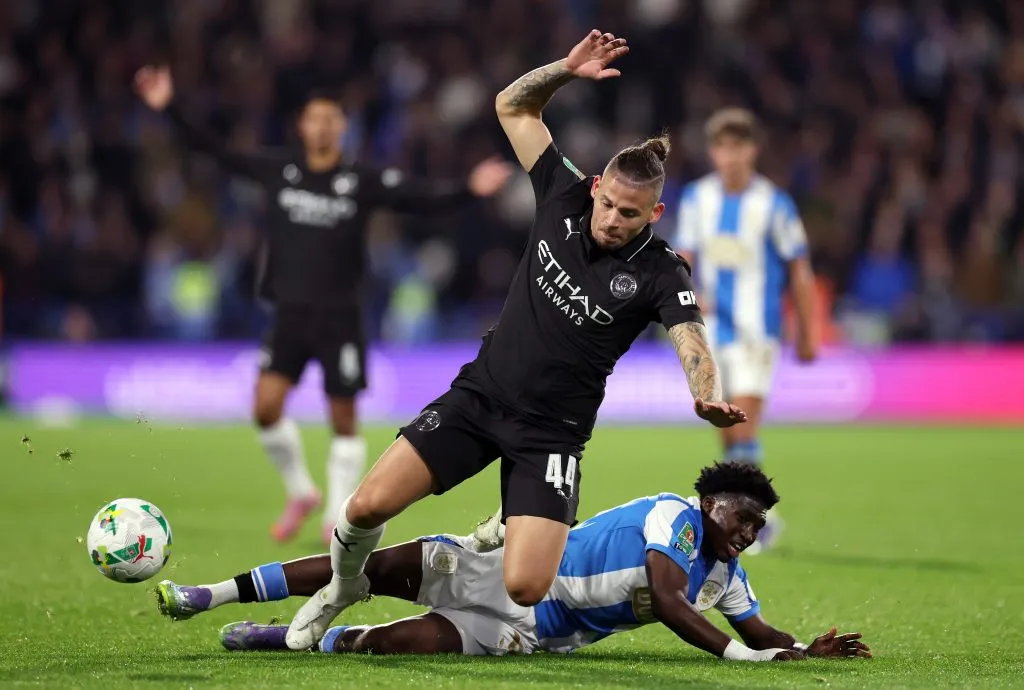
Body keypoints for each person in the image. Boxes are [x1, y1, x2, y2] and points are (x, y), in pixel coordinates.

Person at [280, 29, 747, 651]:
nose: (611, 220)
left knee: (527, 586)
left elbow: (691, 336)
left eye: (628, 214)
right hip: (480, 398)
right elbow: (513, 106)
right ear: (595, 188)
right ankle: (340, 591)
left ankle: (475, 546)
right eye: (606, 204)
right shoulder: (560, 192)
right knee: (363, 509)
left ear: (654, 215)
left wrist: (704, 393)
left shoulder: (663, 269)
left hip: (551, 435)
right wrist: (566, 69)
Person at [133, 67, 512, 545]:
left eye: (333, 119)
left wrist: (468, 188)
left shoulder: (359, 179)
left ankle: (335, 512)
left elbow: (417, 196)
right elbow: (217, 152)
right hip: (289, 316)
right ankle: (300, 491)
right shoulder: (279, 170)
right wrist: (169, 106)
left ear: (343, 127)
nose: (324, 126)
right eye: (316, 119)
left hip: (340, 317)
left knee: (342, 419)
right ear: (302, 126)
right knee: (265, 407)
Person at [155, 462, 870, 662]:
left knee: (398, 645)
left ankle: (286, 638)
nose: (747, 534)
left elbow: (757, 629)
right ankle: (210, 595)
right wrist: (738, 660)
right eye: (741, 518)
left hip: (533, 632)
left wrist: (803, 649)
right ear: (710, 503)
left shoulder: (725, 577)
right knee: (360, 569)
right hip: (502, 569)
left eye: (755, 527)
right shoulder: (671, 517)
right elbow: (667, 596)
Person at [674, 108, 818, 553]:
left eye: (738, 146)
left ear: (752, 150)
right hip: (711, 329)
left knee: (746, 427)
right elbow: (682, 259)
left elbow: (799, 267)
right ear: (713, 152)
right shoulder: (698, 200)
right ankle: (750, 517)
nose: (730, 155)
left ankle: (751, 522)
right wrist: (684, 297)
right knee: (724, 427)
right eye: (722, 147)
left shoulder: (774, 204)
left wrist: (808, 329)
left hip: (758, 329)